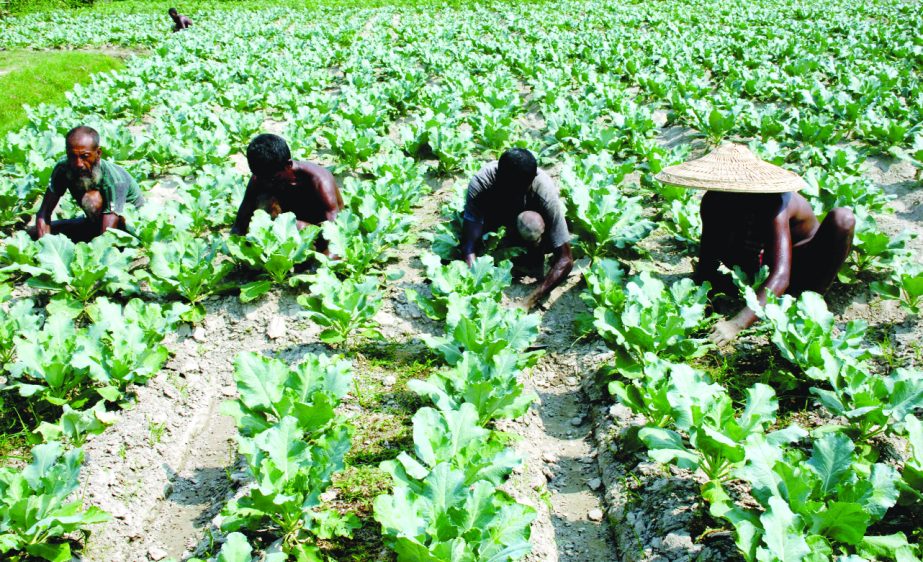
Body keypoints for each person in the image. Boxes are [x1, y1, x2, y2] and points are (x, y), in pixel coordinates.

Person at [656, 143, 856, 346]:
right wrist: (700, 296)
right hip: (760, 267)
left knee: (843, 218)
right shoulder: (713, 201)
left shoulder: (775, 203)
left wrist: (736, 324)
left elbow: (781, 275)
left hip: (801, 266)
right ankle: (763, 295)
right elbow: (708, 253)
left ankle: (807, 300)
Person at [460, 148, 573, 309]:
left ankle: (531, 261)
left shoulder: (543, 190)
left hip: (526, 222)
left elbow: (566, 258)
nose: (513, 193)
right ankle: (502, 249)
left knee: (530, 223)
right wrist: (476, 279)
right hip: (495, 219)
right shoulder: (482, 182)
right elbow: (468, 244)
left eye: (519, 189)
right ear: (499, 176)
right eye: (508, 188)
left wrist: (530, 300)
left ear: (531, 180)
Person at [231, 134, 343, 255]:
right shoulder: (261, 178)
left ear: (288, 165)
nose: (267, 184)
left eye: (273, 178)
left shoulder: (319, 180)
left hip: (318, 233)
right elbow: (239, 226)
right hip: (286, 231)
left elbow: (336, 236)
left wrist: (321, 266)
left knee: (297, 226)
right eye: (260, 178)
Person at [29, 126, 145, 243]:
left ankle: (94, 238)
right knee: (34, 232)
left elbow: (109, 230)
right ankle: (89, 233)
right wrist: (45, 243)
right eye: (72, 156)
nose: (78, 163)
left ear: (98, 153)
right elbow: (44, 212)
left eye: (85, 156)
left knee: (91, 199)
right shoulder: (63, 168)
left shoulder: (114, 179)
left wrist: (98, 249)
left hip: (125, 227)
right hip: (94, 222)